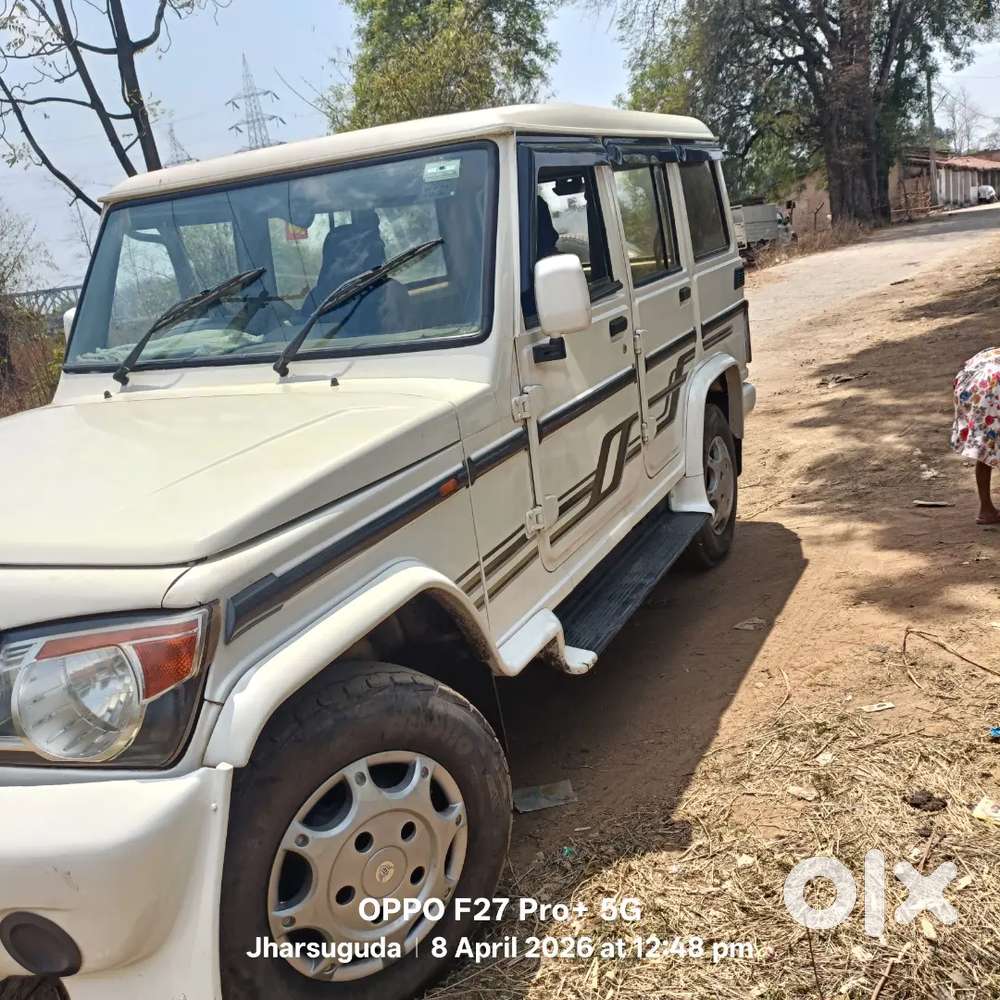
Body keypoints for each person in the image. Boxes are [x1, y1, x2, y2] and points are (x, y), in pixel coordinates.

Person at [952, 346, 1000, 524]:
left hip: (976, 390)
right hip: (991, 391)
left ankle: (986, 509)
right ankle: (986, 510)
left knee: (985, 450)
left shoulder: (988, 357)